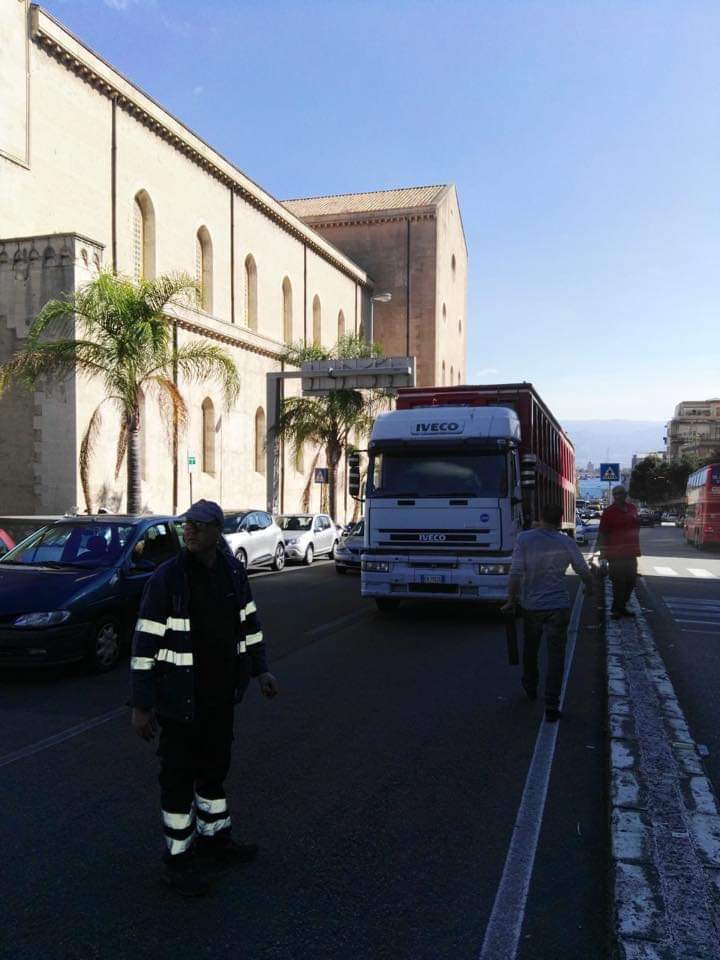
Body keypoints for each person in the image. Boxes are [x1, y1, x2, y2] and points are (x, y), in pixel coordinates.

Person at [130, 499, 279, 897]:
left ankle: (216, 840)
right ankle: (177, 863)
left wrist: (261, 668)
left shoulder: (231, 571)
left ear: (217, 531)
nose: (188, 531)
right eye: (185, 525)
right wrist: (141, 706)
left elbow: (249, 623)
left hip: (220, 698)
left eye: (197, 525)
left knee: (214, 772)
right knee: (178, 780)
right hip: (180, 702)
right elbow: (144, 643)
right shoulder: (167, 578)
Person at [502, 503, 593, 722]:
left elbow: (515, 574)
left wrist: (511, 600)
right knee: (556, 656)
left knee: (531, 650)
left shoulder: (525, 539)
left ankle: (530, 685)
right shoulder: (566, 541)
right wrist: (590, 588)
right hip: (558, 606)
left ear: (540, 516)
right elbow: (583, 569)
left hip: (532, 606)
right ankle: (552, 704)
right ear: (561, 520)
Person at [597, 485, 641, 620]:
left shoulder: (633, 509)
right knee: (619, 583)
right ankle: (617, 609)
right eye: (615, 494)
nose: (618, 496)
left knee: (631, 582)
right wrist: (603, 554)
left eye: (620, 493)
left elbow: (637, 526)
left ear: (625, 494)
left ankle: (621, 606)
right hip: (615, 555)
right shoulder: (609, 512)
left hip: (631, 552)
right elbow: (603, 533)